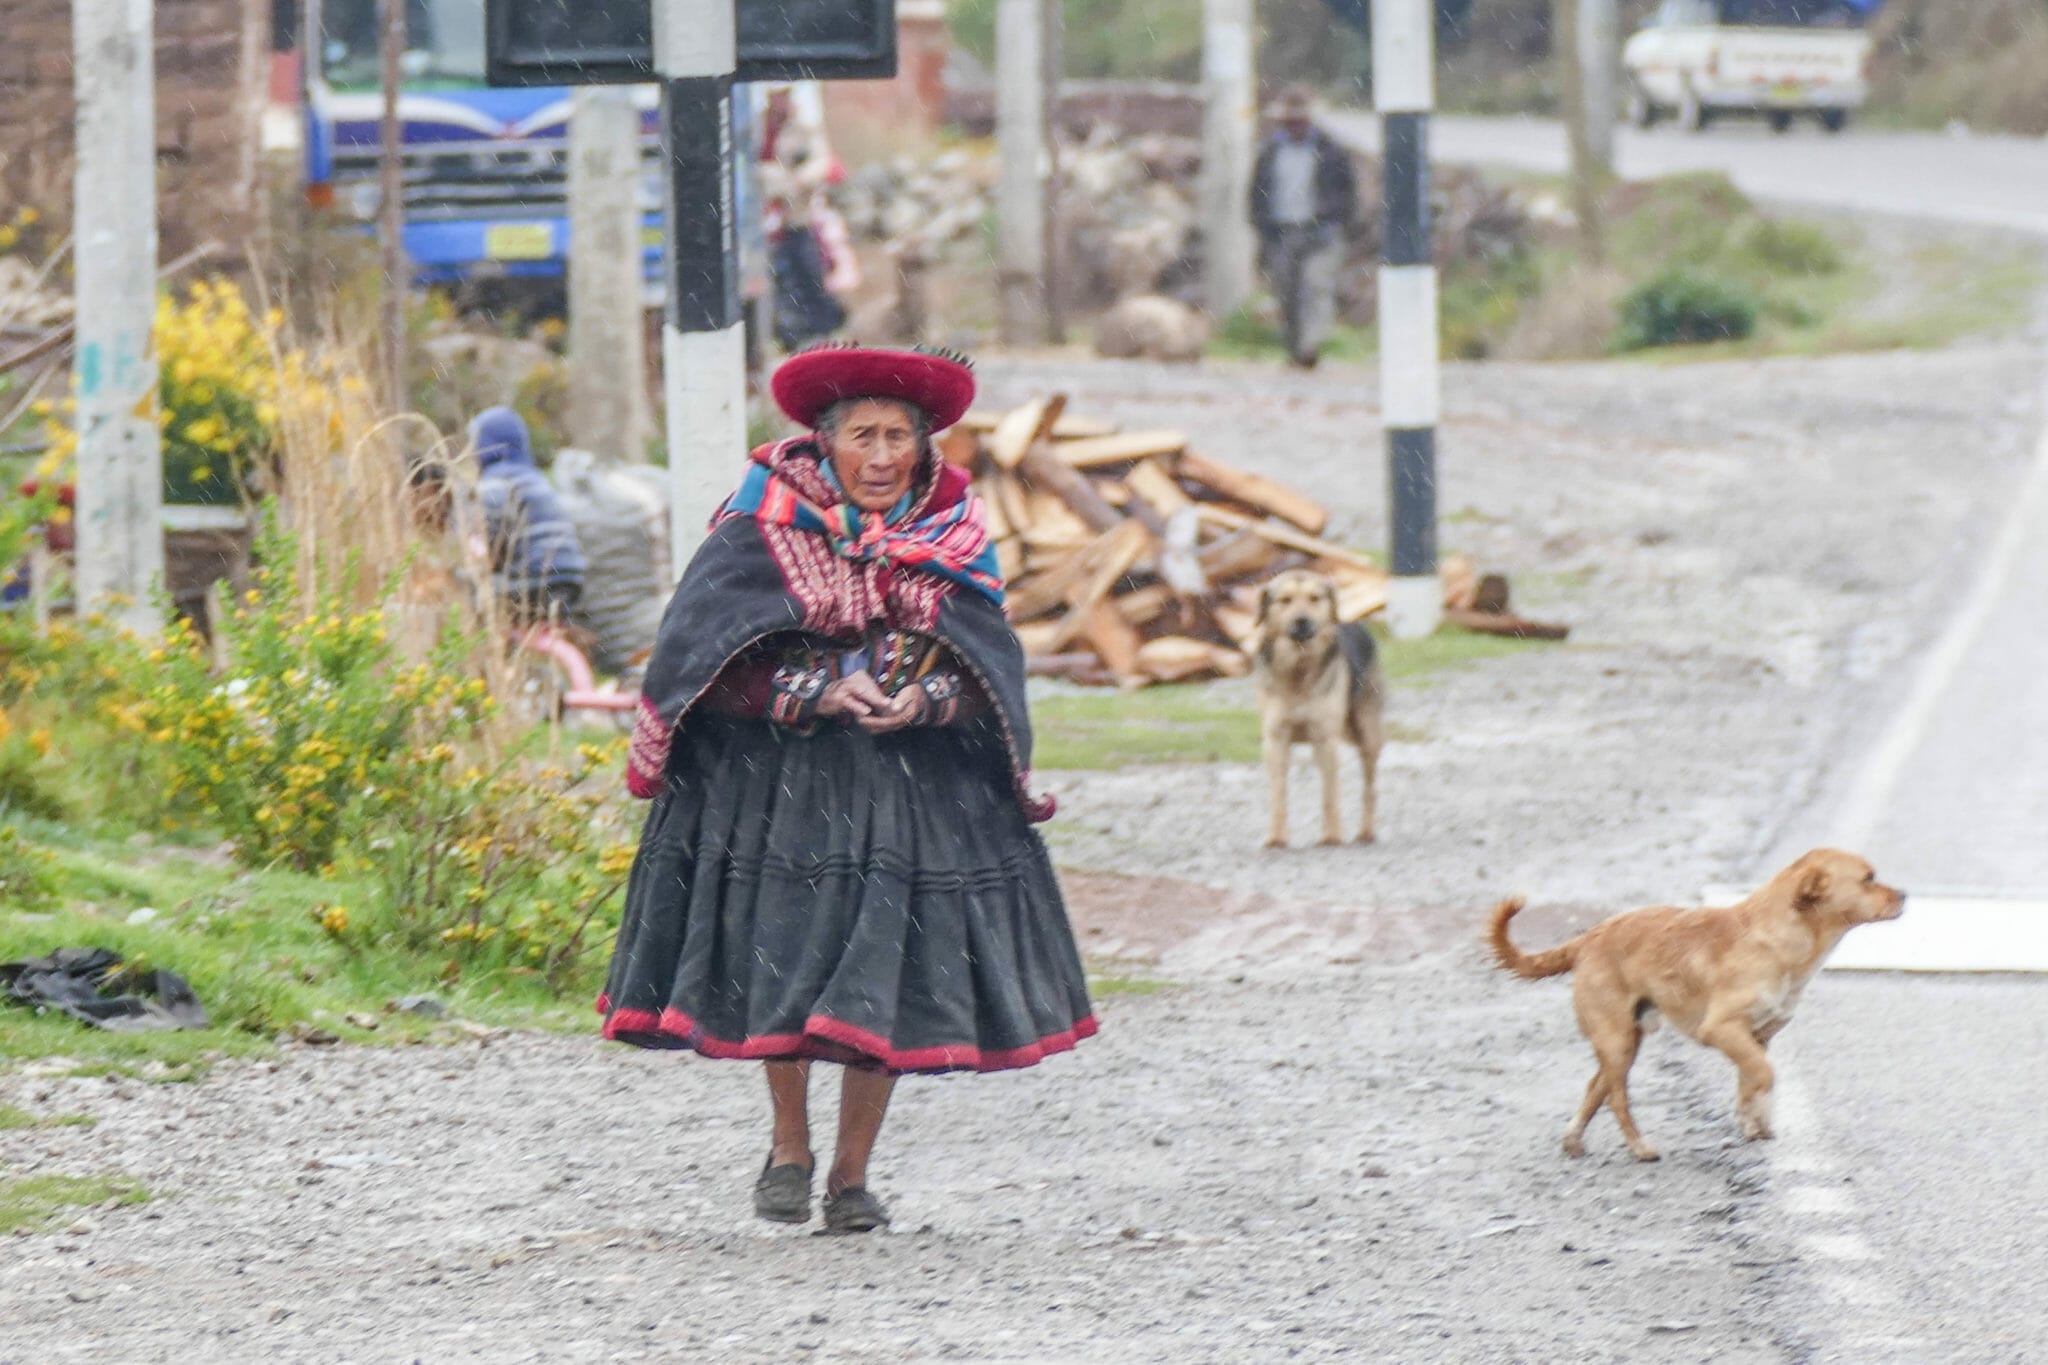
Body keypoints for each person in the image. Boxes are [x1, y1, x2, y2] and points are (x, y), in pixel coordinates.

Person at [601, 344, 1096, 1234]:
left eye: (897, 435)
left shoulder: (953, 528)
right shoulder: (760, 525)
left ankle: (851, 1178)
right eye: (862, 434)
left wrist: (927, 696)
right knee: (778, 955)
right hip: (781, 791)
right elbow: (700, 663)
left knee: (887, 972)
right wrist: (815, 690)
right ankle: (788, 1145)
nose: (880, 455)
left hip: (911, 793)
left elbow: (988, 667)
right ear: (824, 443)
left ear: (922, 445)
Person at [1249, 86, 1358, 369]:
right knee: (1287, 293)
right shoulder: (1269, 152)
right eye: (1290, 120)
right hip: (1282, 231)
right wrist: (1260, 225)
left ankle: (1311, 344)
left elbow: (1347, 192)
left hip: (1321, 231)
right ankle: (1295, 350)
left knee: (1316, 285)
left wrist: (1336, 218)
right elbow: (1256, 192)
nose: (1295, 125)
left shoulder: (1332, 151)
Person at [468, 406, 587, 624]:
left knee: (467, 591)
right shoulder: (537, 480)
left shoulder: (495, 483)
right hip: (569, 579)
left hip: (532, 582)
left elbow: (489, 540)